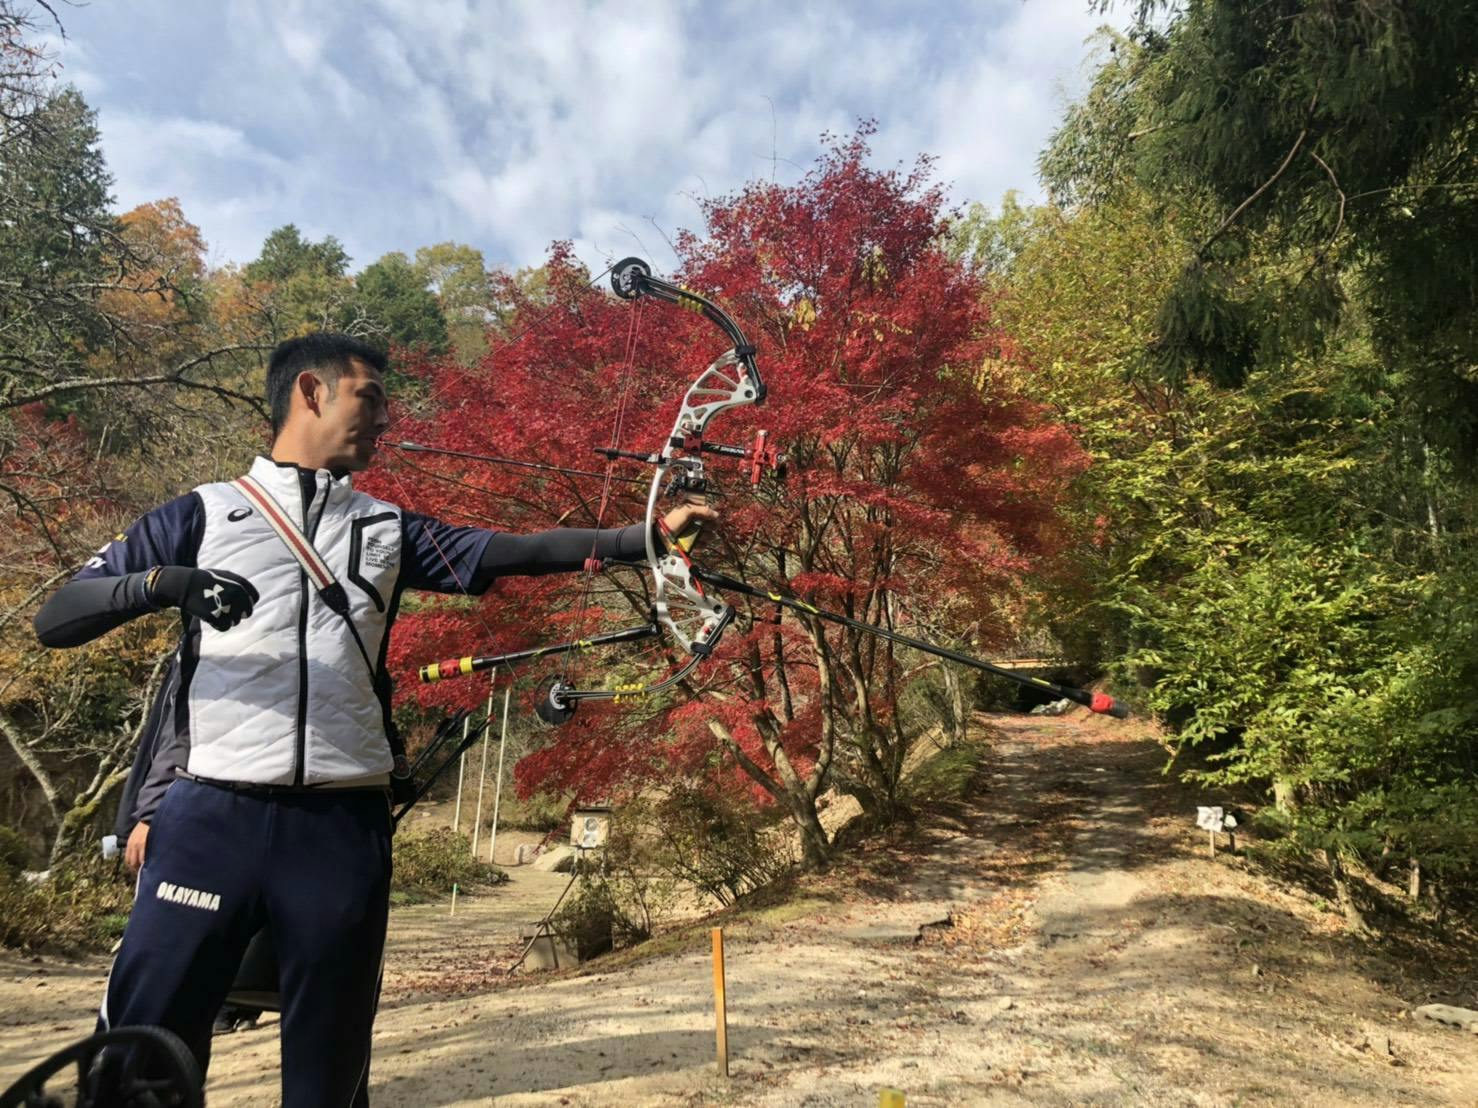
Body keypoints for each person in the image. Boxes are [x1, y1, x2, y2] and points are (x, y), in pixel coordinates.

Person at [33, 332, 715, 1106]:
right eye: (371, 397)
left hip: (340, 827)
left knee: (329, 1068)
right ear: (311, 392)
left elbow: (513, 551)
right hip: (209, 816)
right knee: (137, 1057)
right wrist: (165, 583)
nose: (386, 418)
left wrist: (644, 537)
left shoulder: (387, 527)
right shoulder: (200, 514)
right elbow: (59, 617)